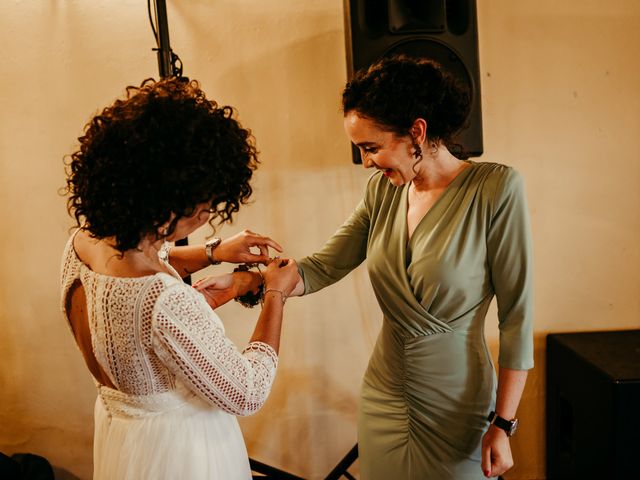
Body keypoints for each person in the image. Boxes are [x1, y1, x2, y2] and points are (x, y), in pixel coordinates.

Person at [290, 55, 534, 479]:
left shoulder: (497, 189)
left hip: (457, 402)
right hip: (385, 394)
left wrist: (504, 423)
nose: (366, 161)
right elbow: (319, 268)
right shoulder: (380, 194)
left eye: (372, 147)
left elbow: (517, 317)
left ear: (416, 132)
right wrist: (246, 282)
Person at [60, 77, 299, 480]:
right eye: (203, 207)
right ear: (164, 200)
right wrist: (276, 292)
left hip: (124, 435)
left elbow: (141, 272)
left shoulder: (81, 244)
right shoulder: (163, 297)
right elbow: (246, 391)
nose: (207, 215)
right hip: (180, 453)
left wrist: (213, 253)